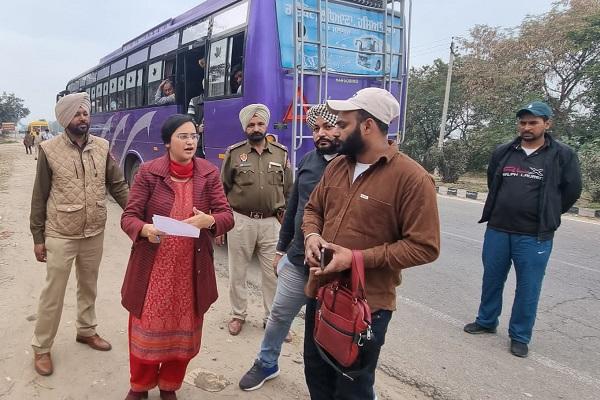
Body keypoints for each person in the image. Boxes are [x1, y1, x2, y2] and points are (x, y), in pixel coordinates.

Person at [302, 88, 441, 399]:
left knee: (352, 388)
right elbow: (313, 209)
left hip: (365, 307)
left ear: (368, 126)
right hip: (321, 293)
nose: (335, 131)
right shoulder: (337, 166)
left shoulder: (412, 179)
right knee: (317, 375)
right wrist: (312, 235)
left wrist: (355, 258)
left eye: (342, 124)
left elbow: (425, 246)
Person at [120, 114, 234, 400]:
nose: (190, 141)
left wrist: (209, 220)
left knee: (183, 330)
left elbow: (226, 216)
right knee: (146, 326)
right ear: (168, 141)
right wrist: (144, 229)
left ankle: (169, 385)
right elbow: (129, 216)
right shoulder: (148, 172)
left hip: (191, 268)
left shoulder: (208, 173)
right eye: (183, 136)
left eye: (194, 135)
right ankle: (140, 385)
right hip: (154, 267)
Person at [464, 101, 582, 358]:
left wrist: (550, 211)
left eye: (533, 122)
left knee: (528, 287)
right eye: (523, 122)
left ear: (547, 124)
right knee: (492, 279)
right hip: (498, 229)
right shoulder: (504, 151)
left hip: (534, 235)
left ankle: (520, 336)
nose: (526, 127)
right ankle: (486, 320)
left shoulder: (562, 154)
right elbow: (493, 180)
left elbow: (572, 190)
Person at [238, 104, 341, 391]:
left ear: (342, 127)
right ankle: (267, 362)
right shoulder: (309, 160)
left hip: (335, 266)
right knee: (279, 315)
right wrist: (281, 249)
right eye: (315, 128)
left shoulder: (351, 165)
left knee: (334, 329)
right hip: (298, 259)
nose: (320, 133)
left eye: (327, 127)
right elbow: (294, 206)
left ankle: (353, 385)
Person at [29, 92, 129, 376]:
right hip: (60, 232)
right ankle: (41, 347)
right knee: (53, 293)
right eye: (77, 114)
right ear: (65, 119)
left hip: (94, 231)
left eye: (85, 113)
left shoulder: (102, 146)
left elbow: (118, 185)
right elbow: (40, 196)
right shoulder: (49, 150)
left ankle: (86, 330)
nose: (83, 118)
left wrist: (136, 214)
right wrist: (38, 237)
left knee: (89, 286)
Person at [219, 104, 292, 336]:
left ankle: (272, 318)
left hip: (272, 223)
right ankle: (238, 315)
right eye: (251, 125)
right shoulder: (234, 153)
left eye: (260, 123)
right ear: (245, 128)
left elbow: (289, 190)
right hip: (240, 220)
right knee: (237, 271)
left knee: (273, 274)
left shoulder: (281, 153)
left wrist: (288, 225)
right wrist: (221, 222)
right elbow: (223, 188)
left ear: (267, 125)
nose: (256, 128)